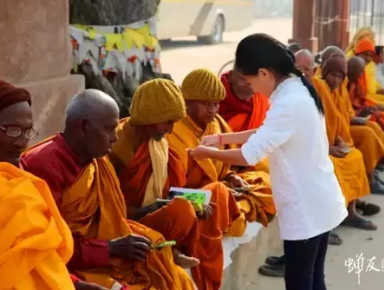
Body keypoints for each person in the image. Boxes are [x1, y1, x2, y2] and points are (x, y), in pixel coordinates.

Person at [189, 33, 348, 290]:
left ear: (264, 73)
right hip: (319, 198)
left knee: (299, 280)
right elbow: (268, 131)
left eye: (249, 80)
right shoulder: (296, 86)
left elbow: (249, 154)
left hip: (307, 206)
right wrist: (220, 139)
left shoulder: (289, 101)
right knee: (313, 278)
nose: (250, 87)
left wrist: (205, 153)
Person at [21, 89, 196, 290]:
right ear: (84, 127)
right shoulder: (43, 165)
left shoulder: (97, 161)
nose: (114, 137)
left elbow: (112, 219)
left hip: (107, 254)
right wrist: (110, 248)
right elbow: (49, 246)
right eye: (109, 129)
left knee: (173, 275)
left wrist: (120, 244)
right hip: (71, 266)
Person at [108, 79, 242, 290]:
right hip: (123, 224)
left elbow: (170, 191)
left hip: (149, 216)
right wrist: (151, 209)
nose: (171, 130)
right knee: (181, 210)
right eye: (167, 122)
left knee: (201, 202)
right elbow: (108, 211)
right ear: (149, 118)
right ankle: (174, 251)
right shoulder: (116, 146)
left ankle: (188, 262)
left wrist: (191, 202)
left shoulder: (159, 144)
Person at [0, 80, 108, 290]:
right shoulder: (43, 164)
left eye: (27, 131)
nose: (21, 142)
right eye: (11, 130)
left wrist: (78, 286)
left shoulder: (21, 175)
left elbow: (43, 254)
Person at [168, 68, 276, 228]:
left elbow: (225, 169)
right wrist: (213, 193)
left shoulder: (218, 124)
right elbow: (173, 188)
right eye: (205, 104)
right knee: (226, 211)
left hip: (220, 191)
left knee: (267, 185)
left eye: (216, 104)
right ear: (188, 102)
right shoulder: (172, 131)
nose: (212, 110)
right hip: (189, 197)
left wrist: (231, 177)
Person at [295, 52, 380, 229]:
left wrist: (339, 142)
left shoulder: (320, 88)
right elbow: (302, 131)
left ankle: (351, 209)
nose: (336, 80)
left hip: (327, 144)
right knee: (333, 166)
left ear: (314, 70)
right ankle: (331, 219)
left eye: (306, 69)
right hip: (308, 150)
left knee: (354, 156)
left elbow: (334, 121)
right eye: (298, 68)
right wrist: (326, 149)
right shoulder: (303, 88)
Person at [315, 46, 384, 191]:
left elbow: (345, 112)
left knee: (373, 126)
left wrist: (359, 117)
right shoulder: (318, 85)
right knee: (368, 134)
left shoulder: (339, 83)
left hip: (341, 132)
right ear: (325, 64)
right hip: (331, 136)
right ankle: (369, 179)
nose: (338, 78)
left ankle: (372, 174)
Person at [347, 56, 384, 164]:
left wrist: (371, 108)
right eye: (359, 72)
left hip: (359, 111)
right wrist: (361, 113)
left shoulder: (355, 80)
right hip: (350, 119)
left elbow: (361, 99)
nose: (361, 75)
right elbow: (345, 109)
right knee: (378, 123)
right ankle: (377, 164)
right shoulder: (344, 84)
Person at [347, 29, 384, 128]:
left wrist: (380, 89)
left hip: (365, 100)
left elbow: (371, 82)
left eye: (371, 39)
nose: (368, 58)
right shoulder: (352, 60)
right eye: (365, 39)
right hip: (362, 103)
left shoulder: (368, 62)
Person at [219, 69, 270, 173]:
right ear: (231, 76)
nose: (249, 86)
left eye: (253, 81)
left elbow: (266, 134)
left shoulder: (262, 98)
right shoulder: (215, 100)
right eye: (243, 80)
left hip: (255, 159)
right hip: (224, 164)